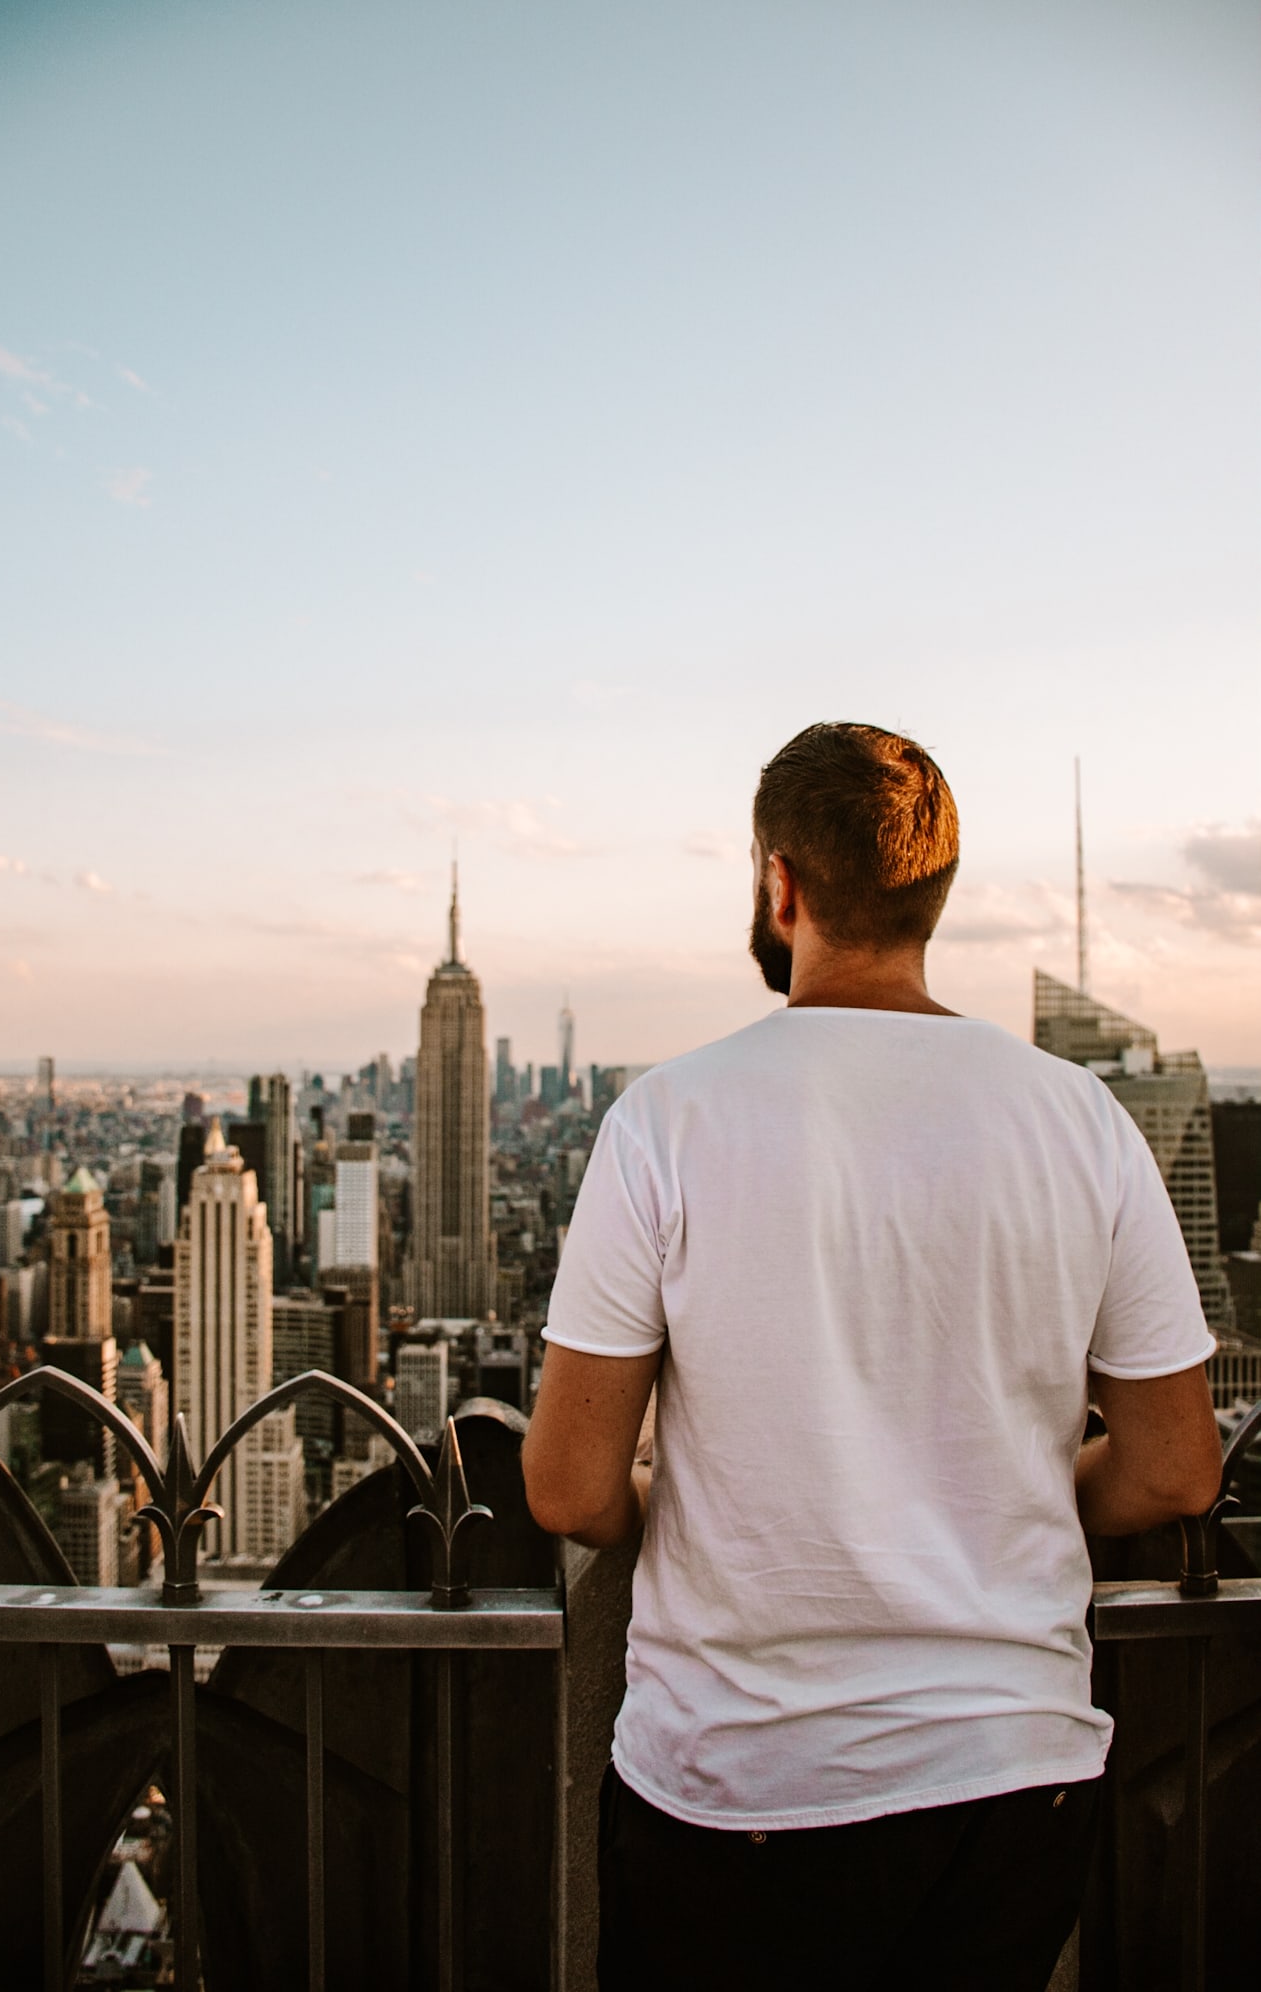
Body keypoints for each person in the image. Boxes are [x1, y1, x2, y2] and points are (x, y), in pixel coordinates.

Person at [522, 722, 1222, 1991]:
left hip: (735, 1787)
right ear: (934, 896)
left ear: (780, 884)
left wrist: (677, 1501)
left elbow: (567, 1489)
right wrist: (1030, 1488)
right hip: (1015, 1784)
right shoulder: (1082, 1121)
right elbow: (1178, 1471)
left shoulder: (666, 1120)